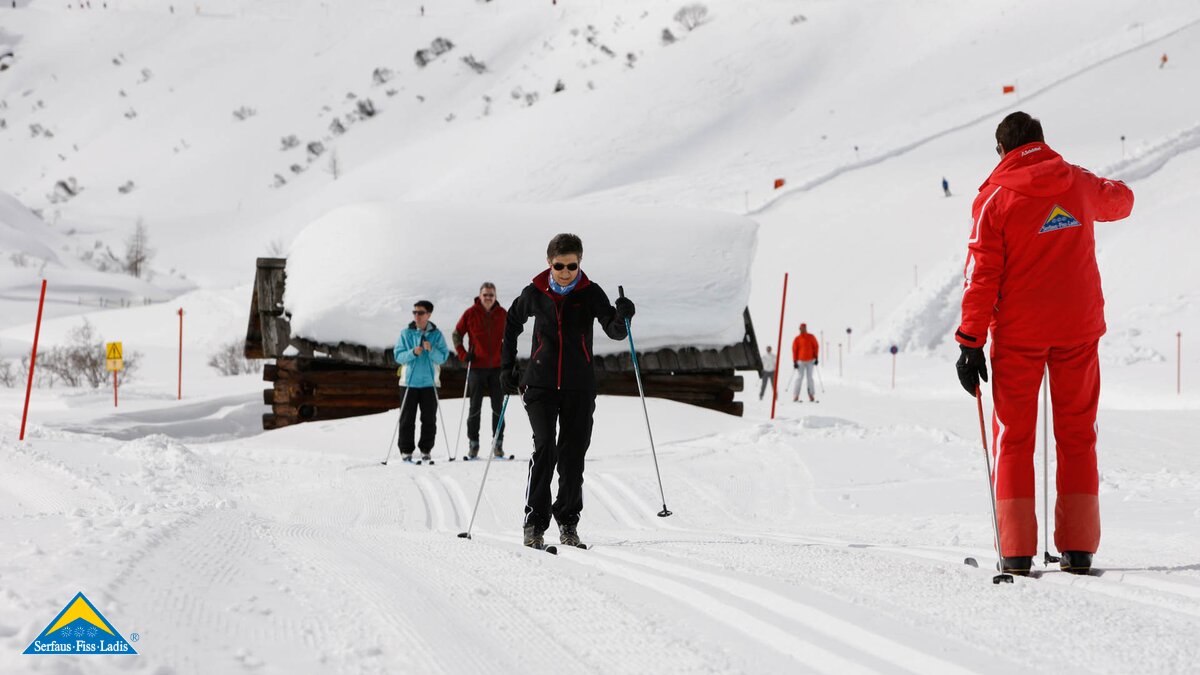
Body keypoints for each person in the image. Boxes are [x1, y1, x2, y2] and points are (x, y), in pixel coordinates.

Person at [954, 111, 1133, 577]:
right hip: (1078, 329)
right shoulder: (1076, 181)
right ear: (1041, 140)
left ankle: (1016, 551)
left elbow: (981, 274)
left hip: (1019, 336)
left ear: (1002, 150)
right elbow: (1122, 201)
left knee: (1014, 437)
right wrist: (1089, 190)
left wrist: (970, 341)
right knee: (1077, 434)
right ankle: (1079, 548)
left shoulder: (994, 198)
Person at [501, 233, 634, 549]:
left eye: (571, 266)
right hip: (540, 384)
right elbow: (512, 323)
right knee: (545, 447)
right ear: (549, 262)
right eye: (559, 265)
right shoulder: (535, 292)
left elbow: (614, 331)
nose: (565, 272)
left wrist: (624, 316)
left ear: (580, 263)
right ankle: (534, 523)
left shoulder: (590, 293)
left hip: (579, 386)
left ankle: (568, 523)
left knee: (573, 456)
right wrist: (507, 367)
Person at [452, 282, 507, 459]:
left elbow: (511, 336)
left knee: (498, 407)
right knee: (475, 407)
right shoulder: (470, 313)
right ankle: (473, 443)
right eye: (485, 295)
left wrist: (508, 357)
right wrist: (463, 354)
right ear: (480, 296)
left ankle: (498, 443)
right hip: (476, 367)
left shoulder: (503, 314)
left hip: (497, 367)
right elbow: (456, 334)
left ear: (495, 296)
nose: (488, 298)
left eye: (491, 294)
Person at [393, 300, 449, 463]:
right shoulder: (406, 333)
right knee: (407, 419)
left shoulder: (437, 335)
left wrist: (431, 350)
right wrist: (412, 353)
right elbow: (398, 356)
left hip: (429, 383)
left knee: (429, 419)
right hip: (408, 383)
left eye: (421, 313)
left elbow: (443, 357)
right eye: (415, 312)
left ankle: (426, 449)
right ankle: (406, 450)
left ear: (429, 315)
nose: (417, 316)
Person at [791, 323, 819, 402]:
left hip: (810, 360)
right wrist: (794, 361)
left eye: (803, 328)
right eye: (801, 329)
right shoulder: (797, 339)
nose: (802, 330)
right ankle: (796, 395)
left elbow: (816, 346)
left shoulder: (811, 337)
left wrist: (816, 357)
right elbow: (794, 350)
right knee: (799, 377)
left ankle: (811, 394)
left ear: (806, 328)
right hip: (800, 361)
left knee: (810, 377)